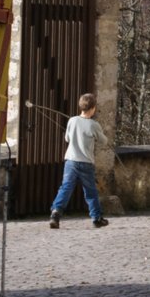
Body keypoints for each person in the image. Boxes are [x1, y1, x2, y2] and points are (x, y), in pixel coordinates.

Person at [49, 93, 109, 228]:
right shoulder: (94, 125)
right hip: (86, 162)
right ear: (93, 108)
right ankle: (96, 218)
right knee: (90, 192)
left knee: (65, 188)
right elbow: (104, 141)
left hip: (70, 161)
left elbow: (67, 139)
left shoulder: (72, 120)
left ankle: (56, 213)